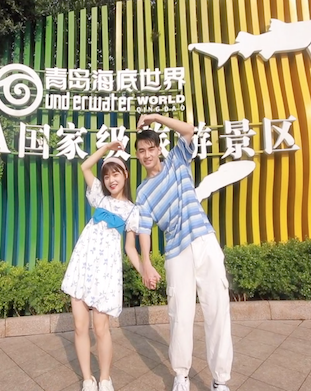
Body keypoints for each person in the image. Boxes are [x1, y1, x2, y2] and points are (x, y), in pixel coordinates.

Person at [134, 114, 233, 391]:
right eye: (141, 151)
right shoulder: (143, 192)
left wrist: (154, 117)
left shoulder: (177, 160)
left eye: (151, 148)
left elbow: (188, 130)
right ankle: (181, 375)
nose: (147, 155)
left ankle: (220, 380)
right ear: (137, 156)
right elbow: (144, 229)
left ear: (158, 149)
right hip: (176, 253)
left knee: (218, 309)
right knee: (180, 314)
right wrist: (146, 263)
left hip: (204, 239)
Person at [61, 141, 143, 391]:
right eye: (107, 175)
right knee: (79, 326)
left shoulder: (132, 211)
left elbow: (130, 248)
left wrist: (144, 270)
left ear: (125, 174)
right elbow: (85, 166)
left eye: (115, 173)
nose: (111, 180)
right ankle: (88, 379)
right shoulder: (99, 196)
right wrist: (106, 148)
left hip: (106, 273)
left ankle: (105, 378)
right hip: (83, 265)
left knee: (100, 328)